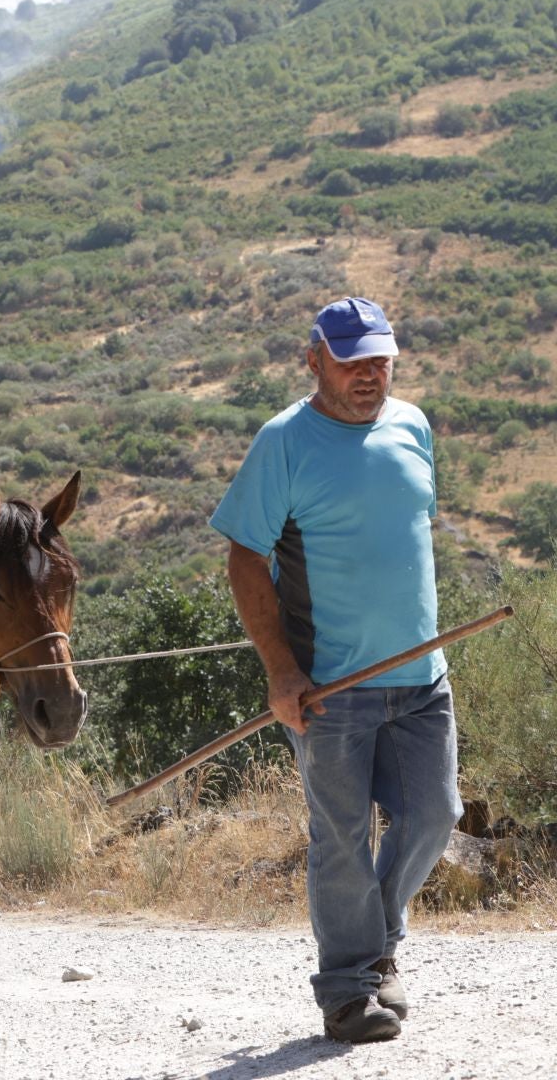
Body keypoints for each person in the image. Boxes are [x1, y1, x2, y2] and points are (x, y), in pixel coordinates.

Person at [209, 295, 460, 1045]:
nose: (369, 375)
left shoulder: (413, 426)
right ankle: (349, 990)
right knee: (341, 835)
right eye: (352, 362)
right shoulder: (284, 443)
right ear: (314, 358)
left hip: (422, 677)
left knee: (435, 815)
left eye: (380, 360)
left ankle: (375, 946)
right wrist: (281, 672)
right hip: (328, 688)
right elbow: (245, 556)